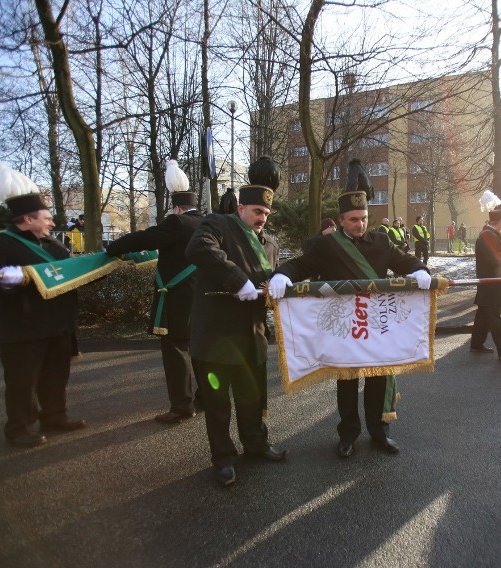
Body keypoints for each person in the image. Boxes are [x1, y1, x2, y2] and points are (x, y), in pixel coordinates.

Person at [268, 161, 430, 459]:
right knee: (347, 383)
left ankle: (380, 433)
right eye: (354, 219)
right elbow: (300, 265)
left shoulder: (381, 242)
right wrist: (281, 275)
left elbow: (404, 262)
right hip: (346, 326)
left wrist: (420, 270)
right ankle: (348, 435)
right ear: (341, 220)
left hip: (377, 324)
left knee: (378, 381)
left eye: (364, 218)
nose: (360, 224)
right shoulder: (327, 246)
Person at [186, 156, 287, 488]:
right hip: (215, 338)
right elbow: (199, 249)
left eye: (266, 214)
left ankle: (255, 445)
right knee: (217, 405)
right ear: (241, 208)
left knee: (251, 398)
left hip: (251, 336)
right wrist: (237, 279)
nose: (262, 219)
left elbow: (270, 283)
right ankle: (224, 458)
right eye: (257, 212)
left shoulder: (270, 244)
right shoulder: (217, 225)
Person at [0, 163, 85, 448]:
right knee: (23, 383)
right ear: (27, 219)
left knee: (56, 376)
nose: (52, 223)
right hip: (22, 327)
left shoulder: (55, 246)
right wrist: (10, 281)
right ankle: (19, 429)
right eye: (46, 218)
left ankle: (55, 416)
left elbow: (69, 275)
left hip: (58, 325)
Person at [105, 160, 203, 424]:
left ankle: (182, 407)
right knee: (200, 349)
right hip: (202, 298)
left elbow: (144, 238)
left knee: (175, 352)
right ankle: (204, 397)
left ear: (177, 207)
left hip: (179, 300)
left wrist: (113, 247)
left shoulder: (177, 223)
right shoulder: (207, 222)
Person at [470, 202, 501, 363]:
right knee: (495, 319)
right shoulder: (488, 236)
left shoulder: (488, 234)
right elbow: (493, 260)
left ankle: (476, 344)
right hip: (491, 284)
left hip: (488, 283)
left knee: (483, 316)